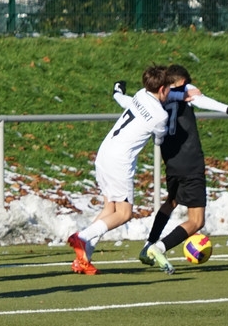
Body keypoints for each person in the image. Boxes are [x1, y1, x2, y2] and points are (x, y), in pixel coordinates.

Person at [128, 64, 228, 274]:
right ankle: (159, 248)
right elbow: (200, 99)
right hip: (190, 161)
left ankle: (149, 244)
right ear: (183, 83)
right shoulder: (184, 92)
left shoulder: (154, 98)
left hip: (171, 160)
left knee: (171, 202)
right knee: (197, 221)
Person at [67, 66, 172, 275]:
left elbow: (127, 102)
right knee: (124, 214)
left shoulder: (141, 95)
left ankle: (83, 259)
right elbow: (159, 138)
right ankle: (82, 237)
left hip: (105, 152)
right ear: (161, 89)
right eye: (168, 89)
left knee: (110, 208)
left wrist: (118, 93)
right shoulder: (161, 115)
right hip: (120, 162)